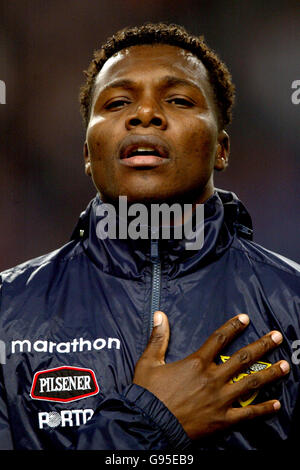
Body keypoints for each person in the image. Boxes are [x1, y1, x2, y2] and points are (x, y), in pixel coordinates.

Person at [0, 22, 299, 451]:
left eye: (177, 100)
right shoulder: (7, 312)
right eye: (119, 102)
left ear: (222, 149)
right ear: (87, 152)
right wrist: (153, 423)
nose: (144, 114)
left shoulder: (293, 303)